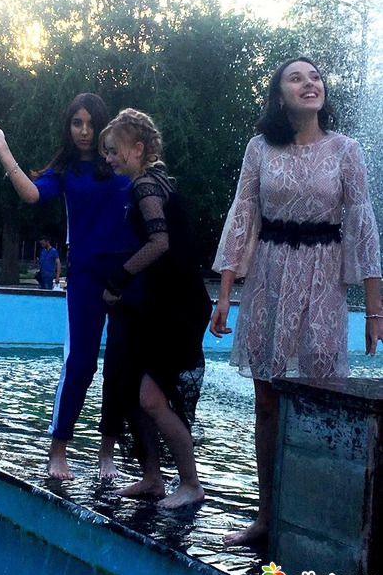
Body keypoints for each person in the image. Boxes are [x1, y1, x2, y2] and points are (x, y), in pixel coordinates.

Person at [210, 57, 383, 545]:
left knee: (321, 394)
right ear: (280, 95)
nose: (310, 83)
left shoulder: (346, 150)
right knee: (267, 401)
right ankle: (266, 517)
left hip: (323, 282)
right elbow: (243, 216)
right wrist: (225, 294)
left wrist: (375, 311)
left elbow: (363, 226)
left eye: (315, 76)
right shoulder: (259, 148)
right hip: (269, 276)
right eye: (296, 77)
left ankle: (319, 519)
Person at [0, 93, 139, 480]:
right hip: (86, 275)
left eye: (91, 124)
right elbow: (32, 193)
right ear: (69, 127)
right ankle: (58, 450)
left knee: (121, 365)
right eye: (76, 123)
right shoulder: (65, 168)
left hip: (129, 272)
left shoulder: (120, 162)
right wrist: (2, 148)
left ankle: (106, 452)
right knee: (80, 362)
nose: (84, 131)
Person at [99, 108, 212, 509]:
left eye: (113, 151)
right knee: (134, 389)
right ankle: (152, 478)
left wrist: (118, 279)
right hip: (164, 304)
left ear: (137, 149)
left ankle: (191, 483)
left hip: (178, 308)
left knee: (150, 397)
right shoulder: (157, 180)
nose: (108, 158)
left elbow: (159, 243)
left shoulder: (145, 185)